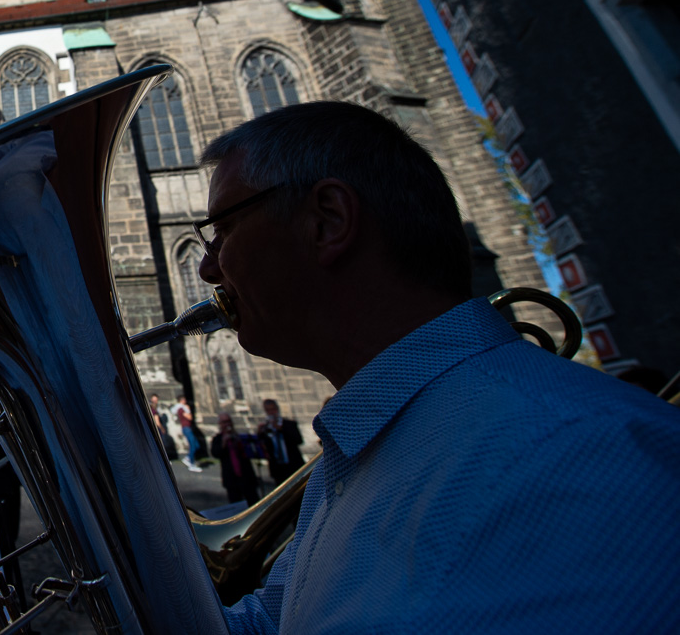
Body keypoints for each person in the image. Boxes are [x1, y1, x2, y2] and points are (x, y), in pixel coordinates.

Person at [191, 101, 680, 632]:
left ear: (327, 220)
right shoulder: (369, 442)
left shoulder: (583, 461)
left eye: (225, 229)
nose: (207, 265)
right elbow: (278, 620)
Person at [210, 412, 260, 506]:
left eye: (229, 422)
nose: (227, 424)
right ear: (220, 424)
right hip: (231, 479)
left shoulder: (239, 436)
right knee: (236, 506)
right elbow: (215, 453)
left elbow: (251, 451)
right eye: (224, 422)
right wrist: (223, 443)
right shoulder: (218, 439)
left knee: (254, 503)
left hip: (247, 477)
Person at [254, 398, 305, 486]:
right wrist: (260, 434)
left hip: (294, 465)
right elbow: (263, 447)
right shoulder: (266, 428)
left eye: (273, 409)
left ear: (277, 409)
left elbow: (299, 440)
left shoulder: (289, 424)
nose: (271, 413)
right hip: (278, 469)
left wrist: (281, 429)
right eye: (268, 410)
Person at [172, 394, 205, 472]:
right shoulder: (181, 409)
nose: (185, 401)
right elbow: (189, 417)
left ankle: (188, 458)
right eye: (184, 399)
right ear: (181, 400)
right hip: (186, 428)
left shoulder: (182, 408)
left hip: (187, 428)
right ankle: (191, 464)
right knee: (193, 445)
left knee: (196, 445)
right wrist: (188, 410)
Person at [150, 393, 180, 460]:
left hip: (154, 428)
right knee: (160, 444)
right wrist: (162, 428)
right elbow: (157, 421)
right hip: (157, 428)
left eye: (156, 400)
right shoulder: (153, 409)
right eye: (154, 400)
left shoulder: (153, 408)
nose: (155, 401)